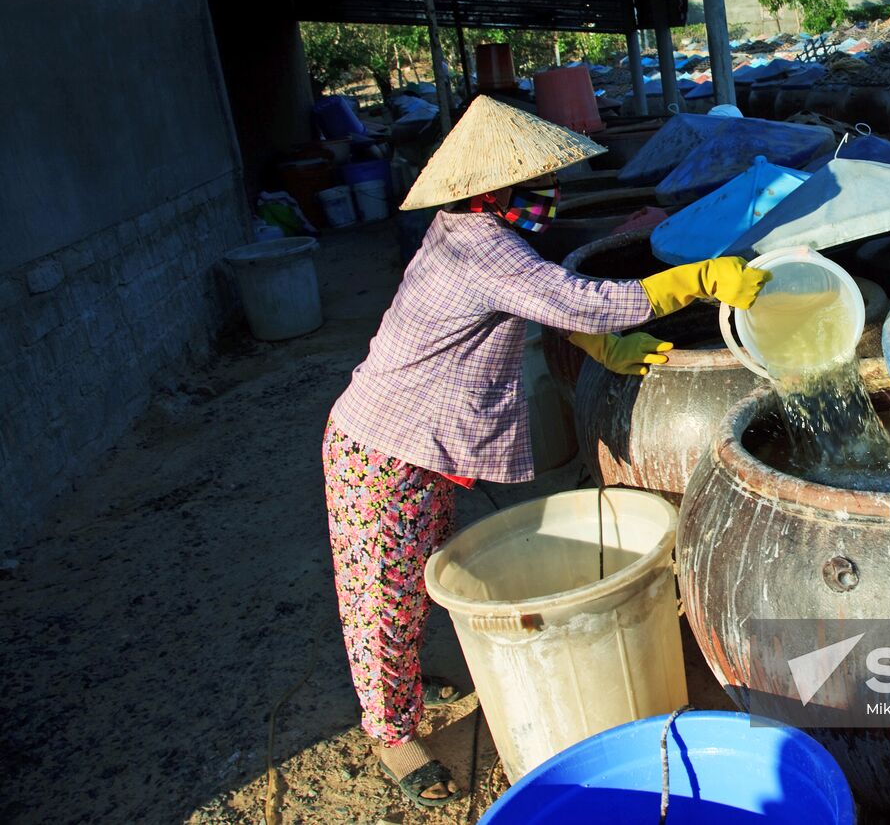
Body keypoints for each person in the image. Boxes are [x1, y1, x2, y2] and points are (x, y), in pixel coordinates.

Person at [321, 95, 769, 808]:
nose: (549, 195)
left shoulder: (466, 228)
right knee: (382, 592)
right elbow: (579, 300)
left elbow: (540, 302)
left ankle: (398, 674)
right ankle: (391, 731)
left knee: (417, 565)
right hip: (382, 447)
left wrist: (602, 346)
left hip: (411, 441)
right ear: (492, 189)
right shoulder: (481, 247)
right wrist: (704, 278)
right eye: (535, 184)